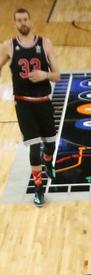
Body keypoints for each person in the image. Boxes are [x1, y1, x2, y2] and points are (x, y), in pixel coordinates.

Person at [0, 8, 61, 207]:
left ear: (31, 20)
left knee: (50, 144)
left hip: (43, 101)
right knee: (33, 146)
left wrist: (44, 75)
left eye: (25, 19)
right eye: (19, 20)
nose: (23, 23)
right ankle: (38, 189)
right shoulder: (8, 46)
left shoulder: (45, 43)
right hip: (23, 103)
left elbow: (57, 75)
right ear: (15, 23)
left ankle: (48, 160)